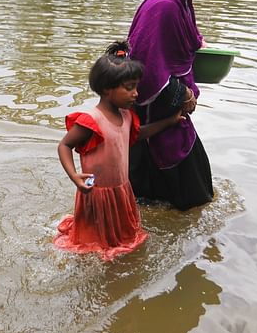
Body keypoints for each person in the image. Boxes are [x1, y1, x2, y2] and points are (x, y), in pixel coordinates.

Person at [56, 41, 185, 261]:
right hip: (97, 193)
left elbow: (139, 135)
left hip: (121, 189)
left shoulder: (127, 116)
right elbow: (64, 145)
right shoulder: (91, 121)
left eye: (136, 87)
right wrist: (75, 176)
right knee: (93, 244)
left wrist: (169, 121)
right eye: (129, 88)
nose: (136, 94)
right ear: (107, 89)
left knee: (121, 238)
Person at [127, 0, 217, 211]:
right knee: (193, 201)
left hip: (169, 113)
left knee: (182, 198)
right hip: (155, 118)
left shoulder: (180, 2)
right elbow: (146, 72)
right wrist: (184, 94)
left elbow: (182, 46)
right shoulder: (163, 6)